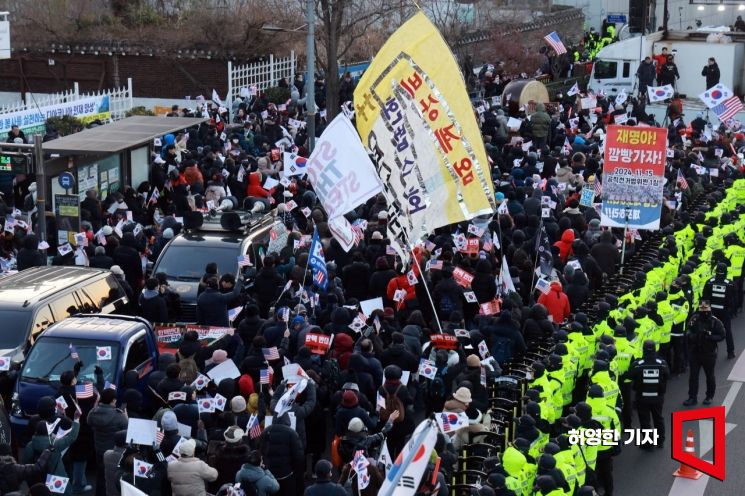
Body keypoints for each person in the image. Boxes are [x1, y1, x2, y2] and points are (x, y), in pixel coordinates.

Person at [628, 340, 669, 448]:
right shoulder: (662, 364)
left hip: (642, 397)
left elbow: (630, 375)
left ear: (643, 349)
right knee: (658, 418)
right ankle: (660, 441)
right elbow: (667, 376)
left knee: (645, 420)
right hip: (657, 396)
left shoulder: (637, 364)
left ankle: (649, 442)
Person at [87, 388, 129, 496]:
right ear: (114, 400)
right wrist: (126, 417)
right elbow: (127, 430)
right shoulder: (118, 415)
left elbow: (89, 421)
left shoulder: (93, 412)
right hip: (112, 449)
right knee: (112, 476)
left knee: (100, 474)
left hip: (98, 448)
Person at [684, 301, 726, 406]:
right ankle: (692, 397)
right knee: (693, 376)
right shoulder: (694, 319)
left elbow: (722, 335)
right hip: (695, 352)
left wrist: (709, 337)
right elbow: (688, 331)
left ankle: (709, 396)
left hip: (709, 353)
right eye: (701, 309)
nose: (703, 311)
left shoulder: (715, 321)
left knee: (710, 376)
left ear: (709, 309)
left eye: (705, 308)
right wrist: (693, 336)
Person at [703, 262, 736, 358]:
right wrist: (730, 311)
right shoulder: (730, 284)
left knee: (708, 331)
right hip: (725, 312)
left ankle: (707, 351)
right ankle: (730, 352)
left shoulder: (709, 282)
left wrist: (704, 313)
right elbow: (733, 300)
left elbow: (704, 299)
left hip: (711, 312)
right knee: (727, 331)